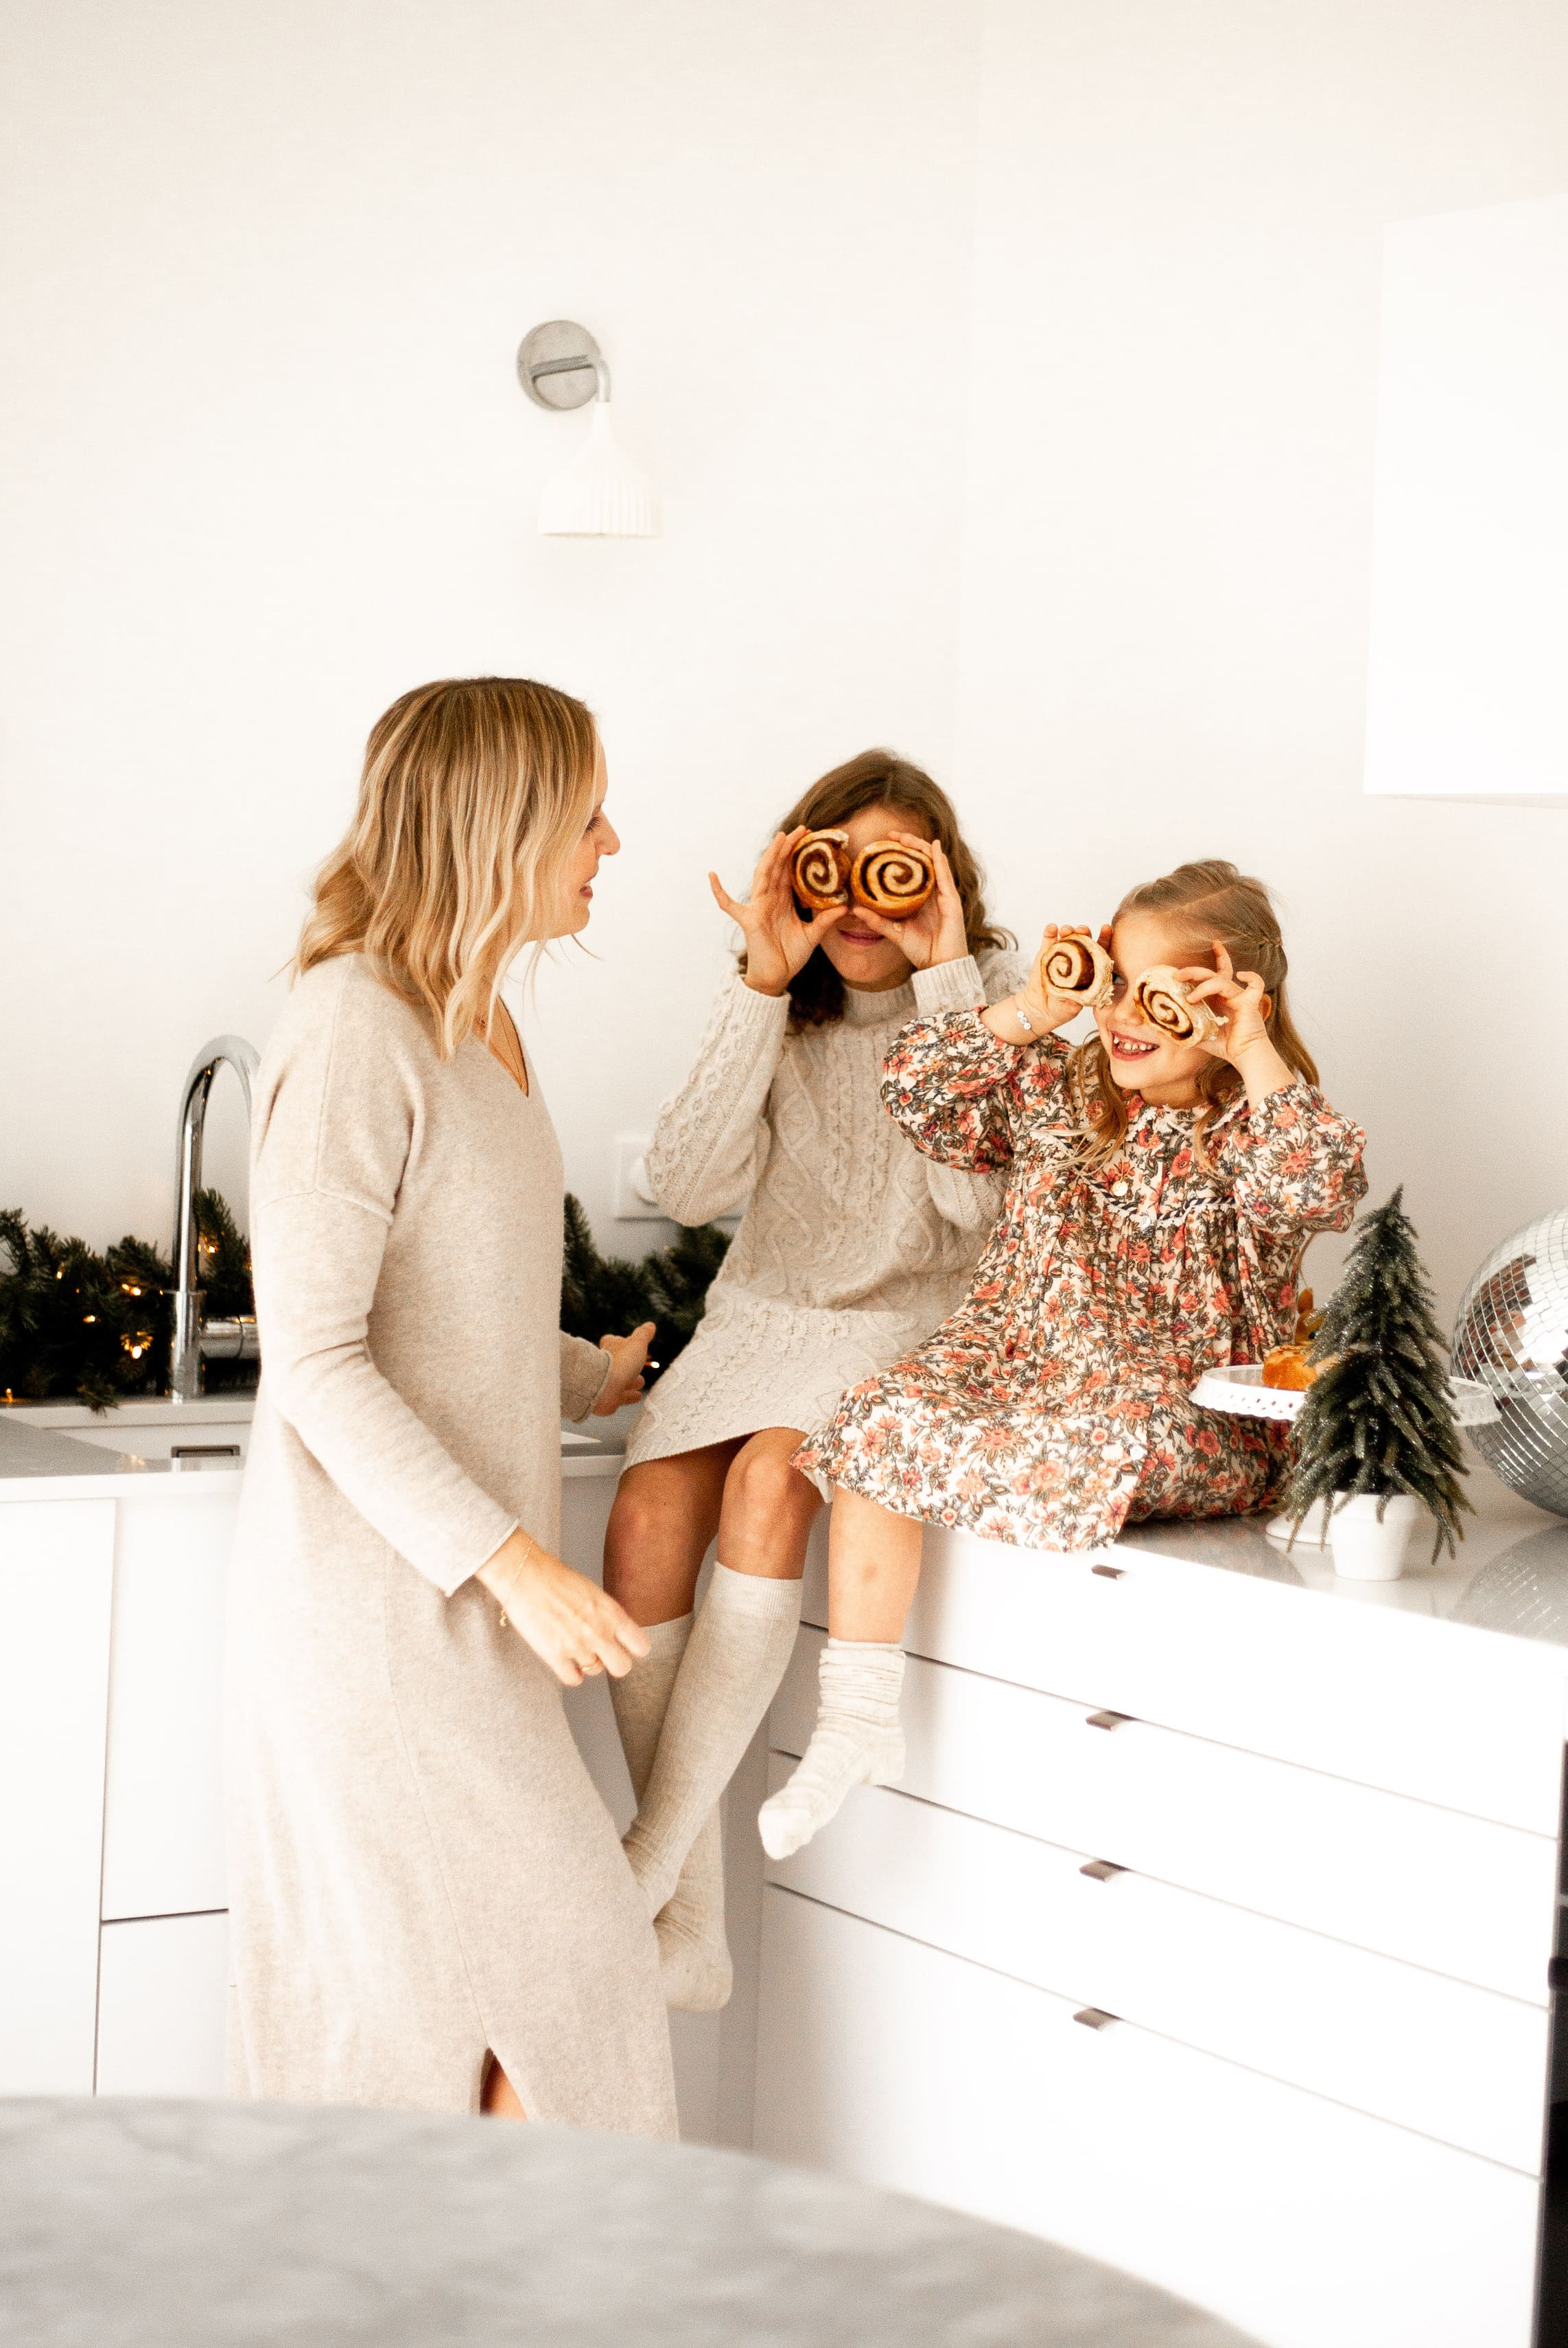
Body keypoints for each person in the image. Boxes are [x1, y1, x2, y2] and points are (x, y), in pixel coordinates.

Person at [226, 675, 675, 2132]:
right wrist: (518, 1565)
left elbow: (447, 1312)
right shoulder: (354, 1028)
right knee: (531, 2000)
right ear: (505, 822)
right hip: (383, 1629)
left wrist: (583, 1373)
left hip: (468, 1624)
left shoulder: (484, 1026)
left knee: (528, 2022)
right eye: (588, 813)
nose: (614, 841)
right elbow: (316, 1356)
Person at [763, 859, 1367, 1858]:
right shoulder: (1061, 1089)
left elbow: (1318, 1188)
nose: (1125, 1013)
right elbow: (917, 1093)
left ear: (1220, 1004)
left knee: (1097, 1442)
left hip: (1180, 1404)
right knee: (880, 1415)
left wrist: (1253, 1049)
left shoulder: (1249, 1126)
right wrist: (1035, 1009)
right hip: (1018, 1365)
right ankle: (857, 1715)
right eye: (1115, 981)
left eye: (1158, 994)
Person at [603, 750, 1022, 2012]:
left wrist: (946, 973)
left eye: (893, 880)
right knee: (644, 1513)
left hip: (905, 1319)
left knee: (772, 1481)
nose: (861, 908)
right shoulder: (784, 1005)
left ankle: (641, 1876)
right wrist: (758, 982)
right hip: (760, 1317)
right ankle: (690, 1916)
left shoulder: (993, 996)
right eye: (833, 875)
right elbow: (683, 1188)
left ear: (940, 880)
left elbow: (978, 1205)